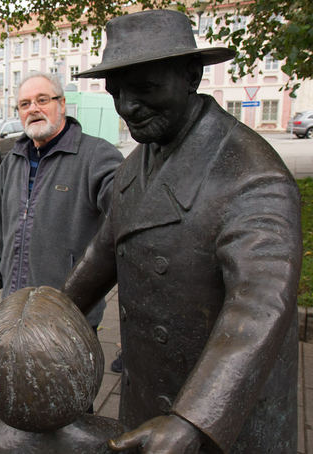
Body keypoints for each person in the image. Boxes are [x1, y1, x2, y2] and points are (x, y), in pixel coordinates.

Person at [63, 10, 301, 453]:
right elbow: (104, 253)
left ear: (191, 76)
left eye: (146, 89)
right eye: (117, 92)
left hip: (219, 419)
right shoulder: (138, 162)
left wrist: (194, 419)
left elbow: (259, 306)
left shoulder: (252, 176)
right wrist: (50, 314)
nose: (127, 106)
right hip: (149, 397)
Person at [0, 73, 122, 336]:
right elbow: (0, 231)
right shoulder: (12, 162)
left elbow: (124, 213)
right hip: (14, 307)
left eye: (42, 100)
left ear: (62, 104)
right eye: (25, 104)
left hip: (69, 311)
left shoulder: (96, 156)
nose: (33, 109)